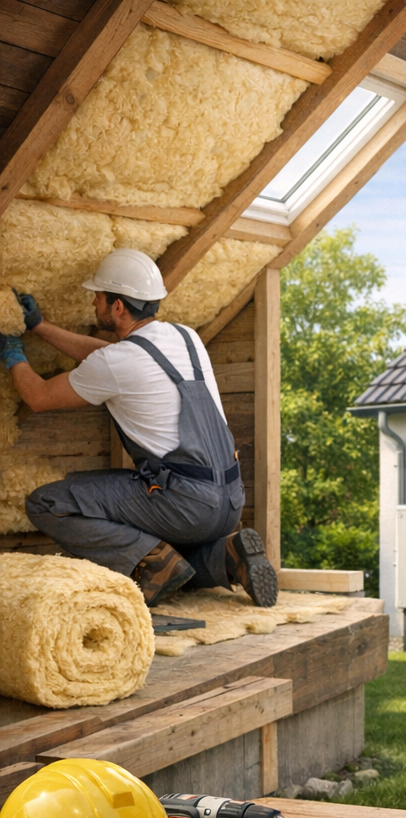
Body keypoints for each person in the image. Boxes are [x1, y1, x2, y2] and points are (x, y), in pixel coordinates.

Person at [0, 250, 277, 608]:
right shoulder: (186, 337)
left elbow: (38, 396)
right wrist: (40, 327)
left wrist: (13, 353)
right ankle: (227, 555)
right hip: (229, 501)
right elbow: (108, 357)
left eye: (99, 296)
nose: (93, 301)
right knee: (178, 558)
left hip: (185, 503)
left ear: (117, 307)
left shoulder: (118, 362)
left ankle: (152, 561)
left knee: (47, 503)